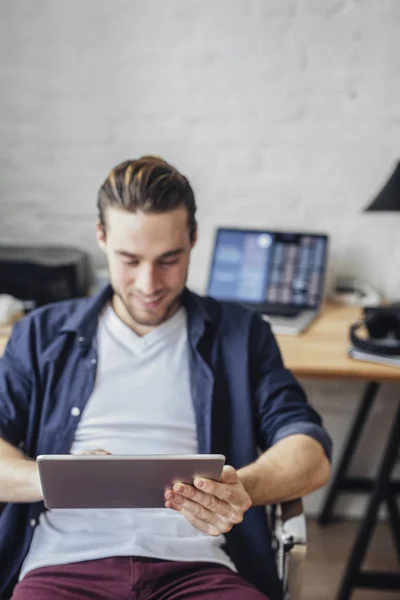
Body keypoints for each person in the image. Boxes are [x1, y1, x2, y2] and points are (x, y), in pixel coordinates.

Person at [0, 156, 332, 600]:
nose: (148, 283)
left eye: (169, 259)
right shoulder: (40, 334)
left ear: (193, 238)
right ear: (101, 238)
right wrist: (56, 480)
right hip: (64, 565)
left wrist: (238, 490)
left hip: (200, 567)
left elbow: (309, 450)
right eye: (130, 259)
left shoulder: (240, 335)